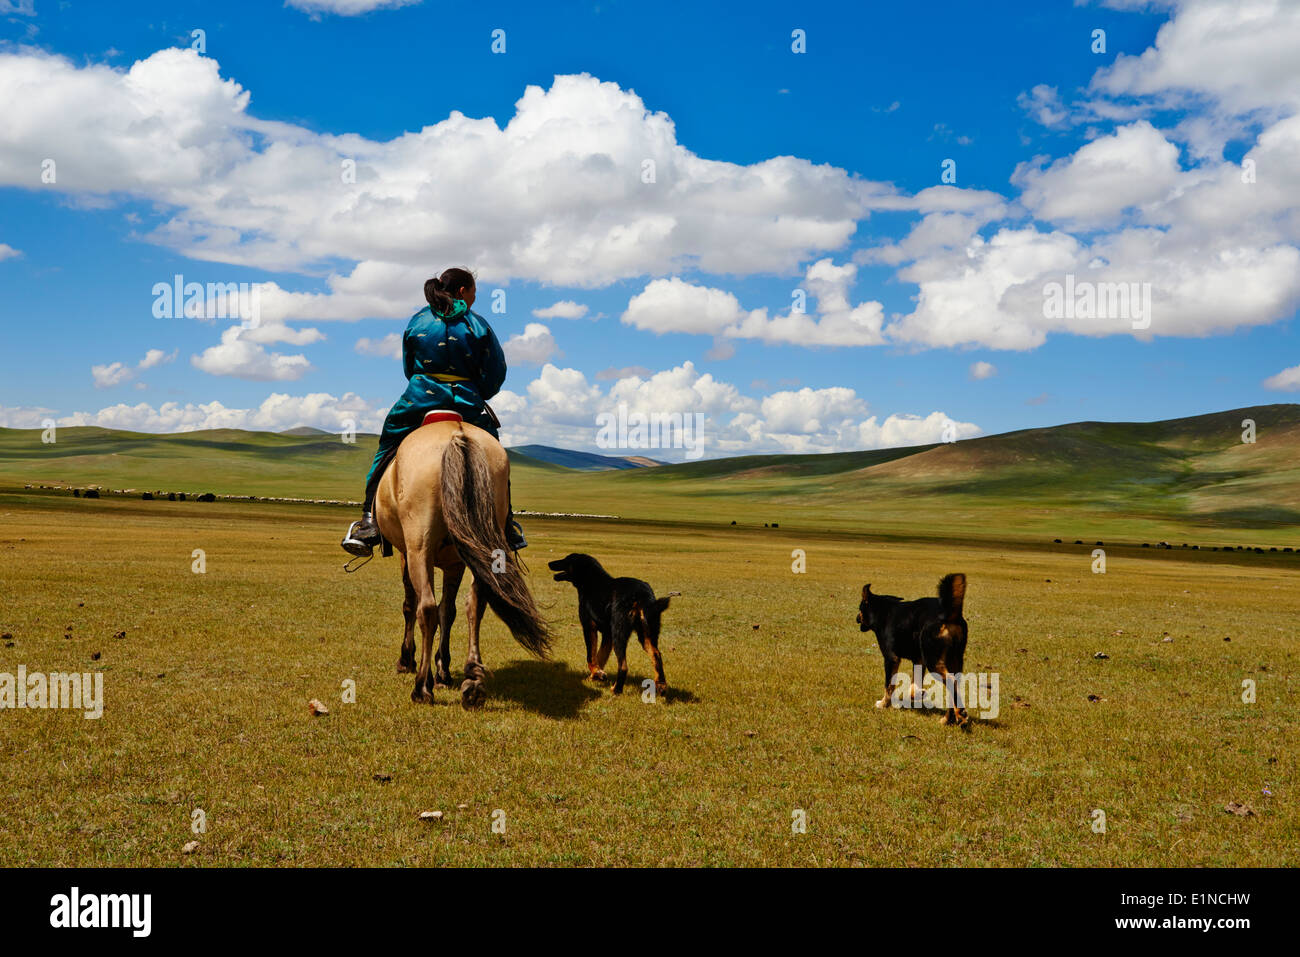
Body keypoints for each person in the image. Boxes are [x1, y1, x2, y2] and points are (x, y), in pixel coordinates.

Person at [341, 267, 527, 557]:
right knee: (496, 456)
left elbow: (408, 366)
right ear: (463, 292)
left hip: (420, 398)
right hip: (467, 402)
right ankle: (506, 526)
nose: (475, 298)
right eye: (474, 293)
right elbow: (496, 372)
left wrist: (425, 384)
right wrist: (478, 393)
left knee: (388, 446)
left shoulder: (417, 321)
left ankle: (368, 521)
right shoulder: (479, 325)